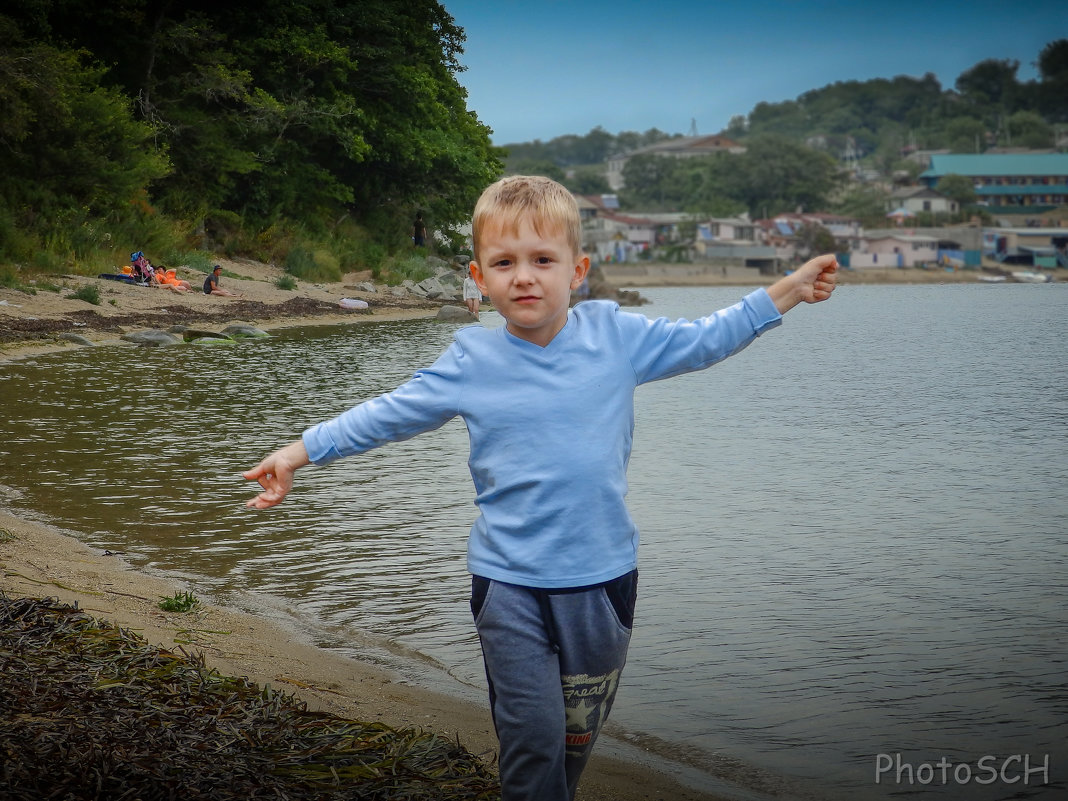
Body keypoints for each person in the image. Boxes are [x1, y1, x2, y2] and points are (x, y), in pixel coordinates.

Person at [243, 175, 837, 801]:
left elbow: (704, 339)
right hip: (508, 584)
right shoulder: (471, 360)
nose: (523, 277)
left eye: (542, 260)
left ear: (576, 270)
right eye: (504, 263)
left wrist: (786, 292)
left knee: (574, 742)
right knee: (531, 738)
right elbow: (386, 414)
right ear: (480, 276)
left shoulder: (616, 337)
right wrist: (299, 451)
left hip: (602, 584)